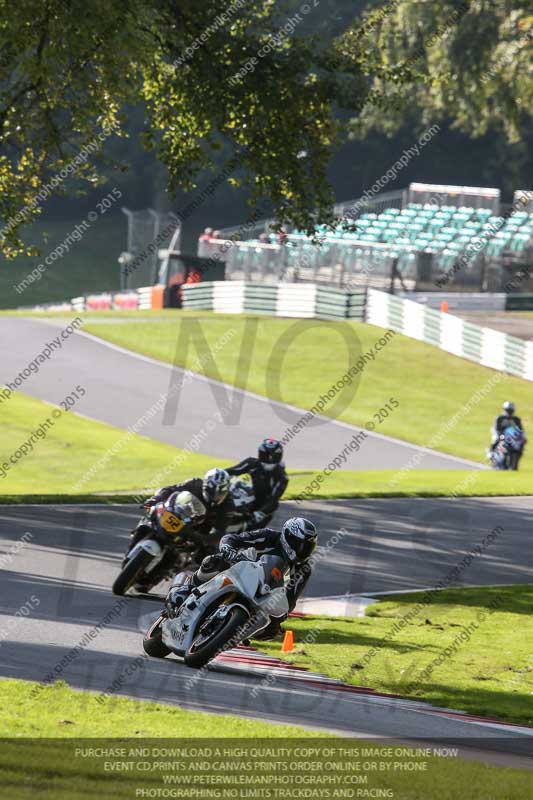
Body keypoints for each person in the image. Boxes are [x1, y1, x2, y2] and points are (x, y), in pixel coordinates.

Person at [167, 517, 317, 639]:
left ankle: (231, 636)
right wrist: (228, 548)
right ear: (287, 536)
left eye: (307, 547)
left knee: (273, 628)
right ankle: (186, 588)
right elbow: (233, 538)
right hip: (239, 569)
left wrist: (281, 615)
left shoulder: (303, 569)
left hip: (263, 592)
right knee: (214, 561)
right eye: (299, 544)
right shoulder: (269, 536)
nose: (301, 550)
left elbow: (291, 599)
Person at [226, 438, 288, 527]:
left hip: (261, 509)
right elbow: (231, 471)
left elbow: (273, 500)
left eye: (272, 456)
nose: (268, 459)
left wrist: (259, 514)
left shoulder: (282, 477)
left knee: (249, 535)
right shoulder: (252, 463)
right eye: (265, 455)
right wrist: (216, 476)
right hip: (245, 501)